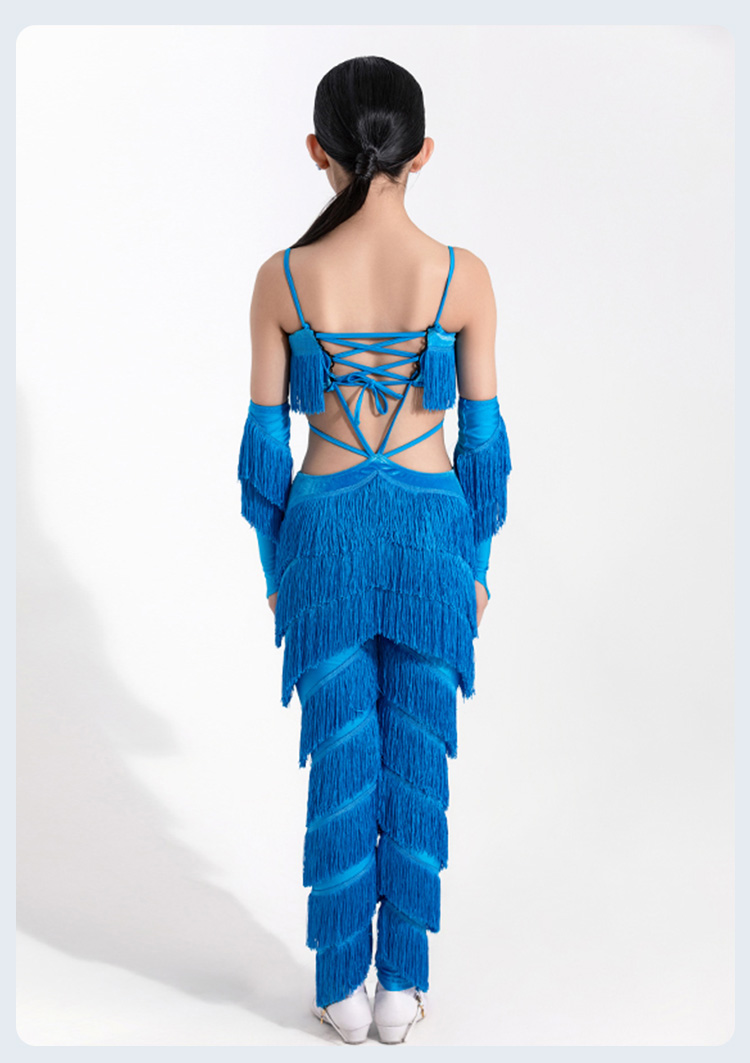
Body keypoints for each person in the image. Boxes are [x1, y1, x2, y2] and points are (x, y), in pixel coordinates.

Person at [237, 55, 511, 1045]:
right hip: (433, 540)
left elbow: (264, 452)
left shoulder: (284, 278)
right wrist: (476, 569)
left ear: (318, 150)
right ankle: (401, 990)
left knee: (343, 758)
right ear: (422, 151)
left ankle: (341, 992)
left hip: (324, 541)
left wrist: (278, 574)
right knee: (417, 760)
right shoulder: (463, 276)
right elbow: (483, 446)